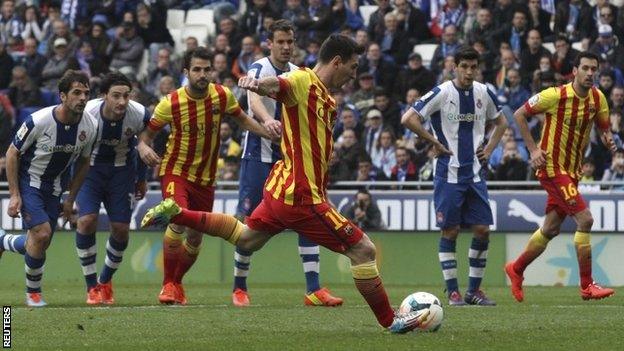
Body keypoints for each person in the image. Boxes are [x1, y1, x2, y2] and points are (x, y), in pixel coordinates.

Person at [142, 34, 430, 333]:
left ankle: (177, 213)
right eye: (353, 67)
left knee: (246, 239)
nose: (353, 75)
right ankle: (390, 321)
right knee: (364, 250)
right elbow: (279, 85)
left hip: (282, 187)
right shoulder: (302, 81)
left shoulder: (325, 95)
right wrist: (257, 84)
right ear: (336, 62)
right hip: (300, 196)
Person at [137, 47, 277, 305]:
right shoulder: (171, 102)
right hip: (176, 170)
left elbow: (244, 120)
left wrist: (270, 135)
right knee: (177, 220)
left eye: (207, 69)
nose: (203, 75)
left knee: (195, 237)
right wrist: (143, 147)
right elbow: (146, 136)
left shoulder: (222, 96)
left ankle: (177, 283)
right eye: (197, 70)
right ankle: (168, 285)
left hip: (206, 178)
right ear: (186, 72)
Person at [232, 19, 343, 308]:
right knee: (249, 223)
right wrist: (267, 119)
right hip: (259, 156)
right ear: (270, 43)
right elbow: (253, 96)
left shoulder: (299, 73)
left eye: (290, 41)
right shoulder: (260, 68)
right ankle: (240, 286)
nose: (286, 46)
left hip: (292, 159)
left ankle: (314, 288)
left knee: (309, 214)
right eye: (280, 41)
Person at [506, 51, 617, 302]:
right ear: (574, 70)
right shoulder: (554, 95)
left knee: (551, 228)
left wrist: (607, 136)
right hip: (552, 168)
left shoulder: (598, 98)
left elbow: (603, 124)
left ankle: (516, 268)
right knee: (585, 220)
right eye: (585, 68)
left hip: (573, 171)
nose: (590, 73)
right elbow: (519, 114)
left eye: (594, 69)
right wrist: (533, 149)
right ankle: (587, 285)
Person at [401, 46, 508, 306]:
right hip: (448, 173)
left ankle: (474, 291)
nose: (469, 72)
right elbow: (408, 118)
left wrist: (490, 148)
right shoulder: (442, 92)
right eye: (464, 67)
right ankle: (453, 292)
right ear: (454, 67)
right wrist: (433, 141)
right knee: (450, 231)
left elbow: (502, 122)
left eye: (473, 67)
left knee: (482, 230)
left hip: (475, 174)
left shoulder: (484, 92)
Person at [0, 70, 98, 307]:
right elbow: (12, 153)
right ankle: (33, 293)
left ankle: (3, 241)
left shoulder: (90, 125)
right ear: (62, 96)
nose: (83, 98)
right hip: (29, 182)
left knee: (39, 242)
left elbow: (84, 162)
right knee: (42, 233)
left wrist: (70, 198)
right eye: (76, 92)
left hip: (55, 188)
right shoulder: (39, 120)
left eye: (86, 93)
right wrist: (14, 195)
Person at [74, 72, 150, 305]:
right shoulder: (87, 114)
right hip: (91, 171)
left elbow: (145, 146)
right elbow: (73, 150)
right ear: (104, 96)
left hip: (122, 173)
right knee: (86, 221)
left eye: (126, 96)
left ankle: (104, 280)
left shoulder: (139, 114)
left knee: (121, 229)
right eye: (116, 96)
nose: (122, 102)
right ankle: (91, 287)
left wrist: (142, 178)